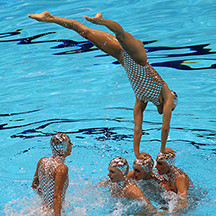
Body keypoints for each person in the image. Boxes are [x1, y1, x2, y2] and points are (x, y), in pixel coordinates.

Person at [28, 11, 178, 157]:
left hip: (123, 57)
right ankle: (101, 21)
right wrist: (163, 149)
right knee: (121, 35)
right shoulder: (167, 94)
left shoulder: (141, 100)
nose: (166, 111)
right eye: (170, 109)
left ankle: (49, 18)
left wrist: (137, 153)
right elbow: (165, 127)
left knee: (85, 32)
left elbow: (138, 129)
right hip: (139, 58)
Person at [31, 132, 73, 216]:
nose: (71, 145)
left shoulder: (42, 161)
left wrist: (46, 198)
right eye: (69, 143)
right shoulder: (61, 168)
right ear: (64, 147)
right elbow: (56, 197)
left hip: (42, 211)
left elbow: (34, 185)